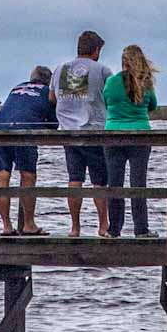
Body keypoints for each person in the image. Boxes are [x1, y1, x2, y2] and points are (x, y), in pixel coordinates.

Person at [52, 31, 113, 238]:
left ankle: (75, 227)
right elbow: (111, 96)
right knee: (99, 180)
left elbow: (52, 97)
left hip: (68, 131)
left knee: (74, 178)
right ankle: (103, 225)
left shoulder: (61, 68)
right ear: (96, 50)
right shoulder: (102, 69)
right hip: (94, 129)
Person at [0, 65, 57, 235]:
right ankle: (28, 224)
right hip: (23, 130)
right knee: (27, 175)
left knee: (3, 175)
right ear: (48, 81)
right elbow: (53, 124)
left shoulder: (17, 87)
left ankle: (6, 226)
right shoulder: (47, 92)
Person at [102, 44, 159, 238]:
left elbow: (106, 100)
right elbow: (153, 105)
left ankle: (114, 229)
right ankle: (141, 229)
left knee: (114, 183)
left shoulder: (111, 82)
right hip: (140, 135)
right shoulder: (146, 83)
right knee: (138, 183)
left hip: (113, 135)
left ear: (123, 62)